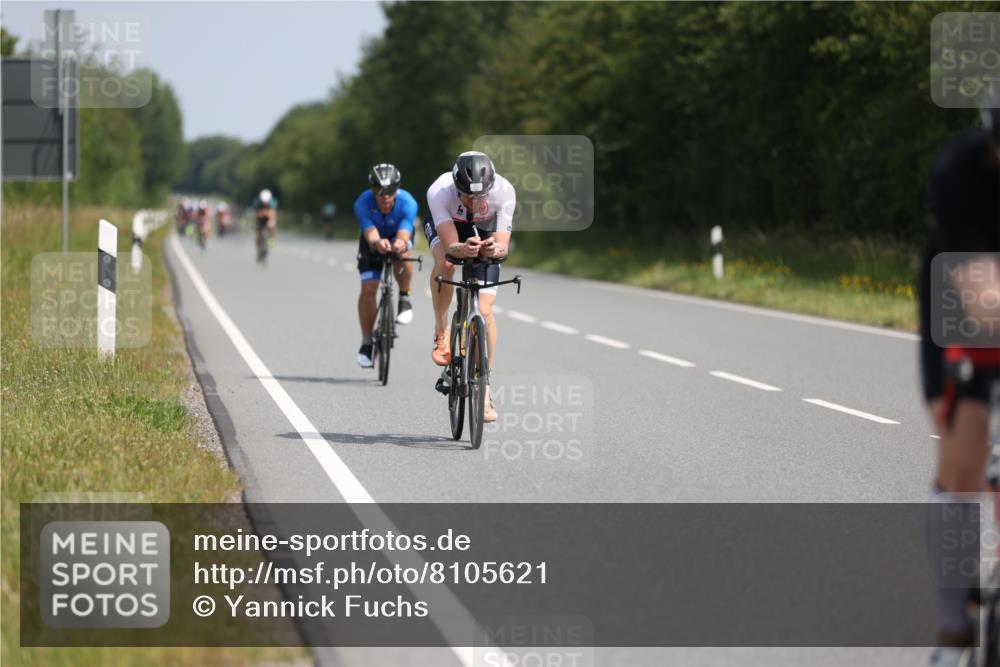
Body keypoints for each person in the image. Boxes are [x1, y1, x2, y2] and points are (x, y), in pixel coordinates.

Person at [920, 96, 1000, 667]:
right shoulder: (959, 172)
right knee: (964, 459)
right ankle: (953, 630)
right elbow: (980, 296)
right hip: (958, 304)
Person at [424, 151, 516, 422]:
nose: (474, 202)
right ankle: (441, 331)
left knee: (485, 313)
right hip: (451, 227)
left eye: (480, 197)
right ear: (456, 187)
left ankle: (484, 386)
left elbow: (502, 247)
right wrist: (462, 249)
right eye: (467, 196)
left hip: (485, 228)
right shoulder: (440, 192)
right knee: (447, 264)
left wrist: (493, 248)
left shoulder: (504, 191)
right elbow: (451, 248)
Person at [354, 164, 419, 368]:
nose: (384, 196)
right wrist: (376, 244)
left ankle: (404, 297)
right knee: (368, 289)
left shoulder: (408, 202)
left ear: (397, 190)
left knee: (404, 252)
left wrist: (398, 243)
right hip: (373, 241)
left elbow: (405, 230)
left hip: (398, 236)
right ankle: (366, 342)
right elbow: (370, 232)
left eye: (390, 191)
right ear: (371, 190)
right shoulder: (362, 203)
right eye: (379, 191)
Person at [253, 189, 278, 258]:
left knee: (272, 224)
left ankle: (271, 239)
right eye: (263, 202)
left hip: (269, 218)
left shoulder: (273, 202)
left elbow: (273, 214)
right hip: (260, 219)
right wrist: (261, 214)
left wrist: (266, 214)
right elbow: (255, 214)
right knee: (258, 232)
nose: (265, 203)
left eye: (266, 202)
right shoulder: (257, 202)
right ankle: (258, 249)